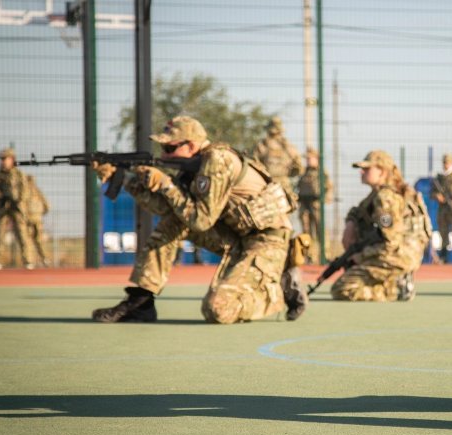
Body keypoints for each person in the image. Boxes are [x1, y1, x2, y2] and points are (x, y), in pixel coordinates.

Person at [91, 115, 307, 323]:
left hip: (267, 242)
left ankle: (277, 284)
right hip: (236, 237)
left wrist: (167, 185)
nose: (164, 155)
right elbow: (167, 209)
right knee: (173, 223)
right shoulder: (194, 168)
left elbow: (200, 221)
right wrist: (124, 178)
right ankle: (141, 302)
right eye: (163, 148)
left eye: (170, 148)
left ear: (192, 146)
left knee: (217, 310)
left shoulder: (217, 161)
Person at [332, 150, 429, 302]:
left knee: (343, 289)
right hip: (400, 254)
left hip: (397, 256)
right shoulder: (383, 193)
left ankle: (395, 289)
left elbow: (390, 242)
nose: (362, 172)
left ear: (382, 171)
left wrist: (360, 256)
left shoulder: (385, 199)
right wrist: (350, 223)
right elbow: (359, 211)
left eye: (367, 169)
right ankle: (393, 282)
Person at [0, 148, 35, 270]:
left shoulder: (19, 175)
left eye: (5, 159)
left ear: (12, 159)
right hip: (3, 207)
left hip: (17, 207)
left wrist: (18, 201)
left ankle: (28, 261)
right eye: (1, 159)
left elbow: (26, 191)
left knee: (22, 233)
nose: (2, 162)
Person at [252, 117, 303, 198]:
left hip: (266, 185)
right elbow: (299, 168)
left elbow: (254, 164)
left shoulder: (262, 145)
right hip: (283, 185)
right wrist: (288, 173)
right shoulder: (288, 146)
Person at [296, 147, 332, 263]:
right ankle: (309, 256)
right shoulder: (303, 172)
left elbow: (329, 188)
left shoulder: (322, 172)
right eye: (307, 159)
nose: (308, 161)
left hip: (316, 204)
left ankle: (325, 255)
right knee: (306, 231)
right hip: (304, 204)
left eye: (310, 158)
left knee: (320, 230)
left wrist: (325, 198)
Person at [23, 174, 51, 267]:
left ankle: (44, 259)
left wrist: (42, 211)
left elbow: (46, 204)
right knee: (28, 241)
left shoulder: (37, 192)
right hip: (28, 220)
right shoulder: (24, 193)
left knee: (38, 240)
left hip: (37, 219)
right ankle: (29, 261)